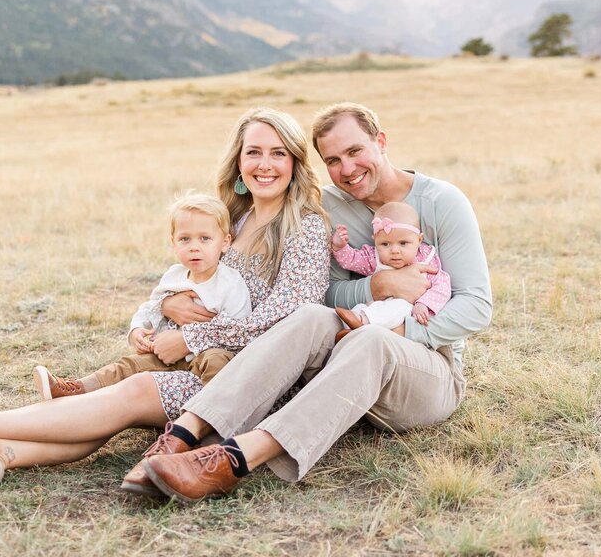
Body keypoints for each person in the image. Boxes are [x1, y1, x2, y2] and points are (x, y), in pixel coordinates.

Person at [0, 108, 329, 487]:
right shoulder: (232, 217)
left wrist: (192, 338)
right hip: (200, 357)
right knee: (113, 407)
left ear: (295, 162)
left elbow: (288, 316)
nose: (265, 164)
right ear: (238, 161)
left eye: (278, 153)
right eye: (254, 152)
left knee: (134, 389)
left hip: (253, 377)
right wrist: (166, 308)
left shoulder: (304, 227)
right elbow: (188, 278)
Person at [128, 102, 491, 503]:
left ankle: (233, 460)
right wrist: (379, 286)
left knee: (371, 340)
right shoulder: (333, 209)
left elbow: (476, 306)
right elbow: (326, 293)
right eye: (333, 160)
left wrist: (404, 329)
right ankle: (185, 434)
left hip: (426, 369)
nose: (347, 169)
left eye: (355, 152)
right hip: (349, 362)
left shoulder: (442, 201)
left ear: (381, 142)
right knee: (311, 315)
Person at [33, 193, 251, 401]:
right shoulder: (174, 276)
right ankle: (77, 388)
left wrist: (192, 338)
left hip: (208, 354)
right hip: (168, 354)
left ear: (224, 242)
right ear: (173, 242)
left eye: (205, 239)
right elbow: (151, 307)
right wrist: (137, 330)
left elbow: (239, 327)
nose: (194, 247)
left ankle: (208, 413)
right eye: (185, 239)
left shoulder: (229, 283)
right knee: (129, 365)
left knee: (218, 362)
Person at [331, 199, 450, 338]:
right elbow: (352, 260)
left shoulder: (426, 260)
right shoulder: (375, 257)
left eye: (403, 243)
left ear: (419, 240)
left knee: (399, 307)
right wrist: (340, 247)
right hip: (377, 307)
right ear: (375, 240)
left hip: (406, 313)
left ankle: (361, 324)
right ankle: (351, 329)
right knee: (360, 308)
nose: (394, 250)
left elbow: (442, 285)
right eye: (385, 244)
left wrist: (424, 304)